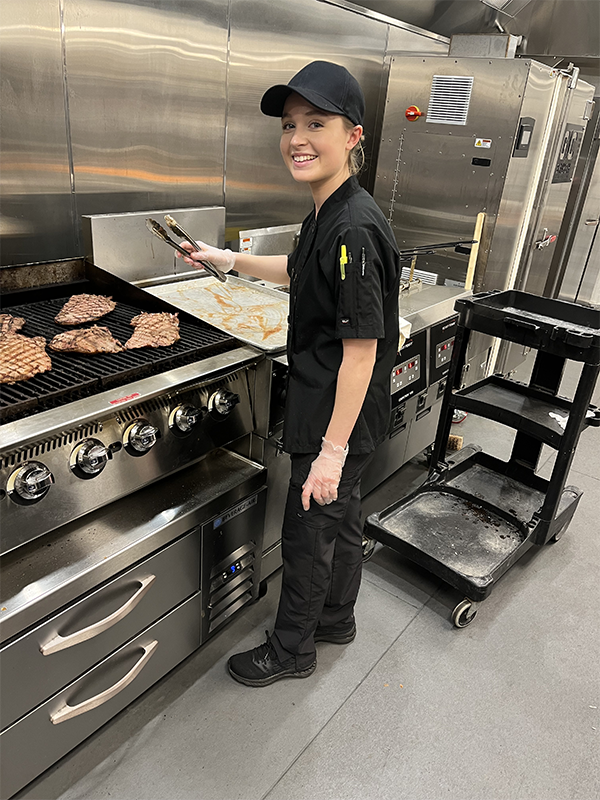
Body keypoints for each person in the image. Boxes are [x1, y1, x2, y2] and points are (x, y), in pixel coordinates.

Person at [179, 61, 401, 687]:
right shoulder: (331, 212)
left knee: (308, 533)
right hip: (344, 414)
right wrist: (224, 258)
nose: (297, 138)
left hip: (334, 416)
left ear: (353, 136)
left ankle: (292, 649)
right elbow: (297, 268)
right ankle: (335, 617)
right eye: (289, 125)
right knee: (342, 520)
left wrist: (329, 454)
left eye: (316, 123)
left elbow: (361, 351)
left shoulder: (354, 230)